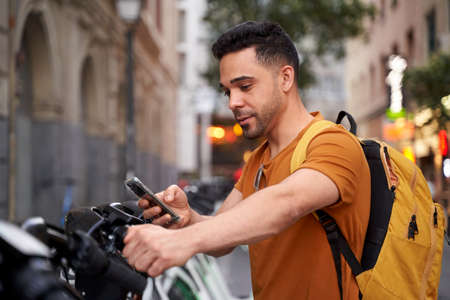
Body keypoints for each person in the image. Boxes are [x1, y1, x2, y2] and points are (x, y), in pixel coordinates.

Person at [123, 21, 371, 300]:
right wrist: (187, 219)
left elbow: (286, 203)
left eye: (244, 86)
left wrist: (183, 241)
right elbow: (223, 238)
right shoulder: (258, 159)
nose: (232, 103)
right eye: (228, 91)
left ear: (285, 78)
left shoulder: (334, 143)